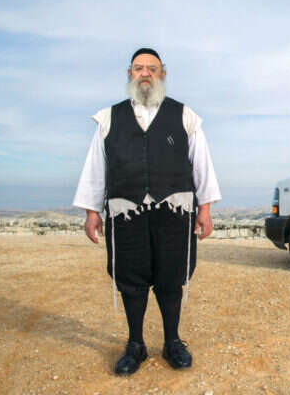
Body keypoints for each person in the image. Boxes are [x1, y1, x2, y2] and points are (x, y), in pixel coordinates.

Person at [73, 48, 221, 375]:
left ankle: (172, 342)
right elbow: (96, 167)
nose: (145, 74)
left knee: (171, 277)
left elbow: (202, 163)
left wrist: (205, 209)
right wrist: (92, 212)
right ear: (130, 73)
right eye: (139, 68)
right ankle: (135, 345)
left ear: (162, 74)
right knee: (131, 279)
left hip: (174, 213)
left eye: (151, 69)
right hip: (126, 213)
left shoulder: (184, 115)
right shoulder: (109, 118)